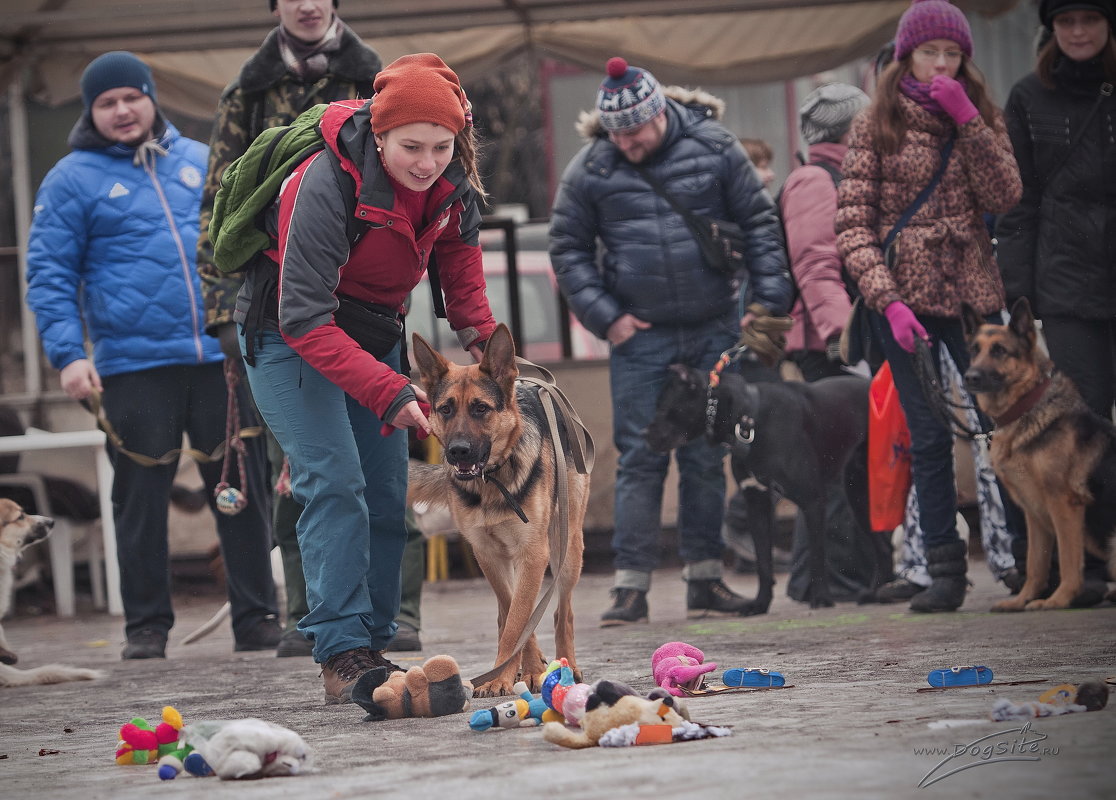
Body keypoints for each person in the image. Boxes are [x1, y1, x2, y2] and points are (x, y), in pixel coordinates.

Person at [236, 53, 498, 704]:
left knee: (387, 490)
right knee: (334, 480)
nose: (426, 161)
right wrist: (389, 389)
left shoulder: (454, 186)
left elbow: (465, 296)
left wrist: (500, 361)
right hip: (288, 335)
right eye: (411, 146)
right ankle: (342, 651)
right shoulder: (324, 183)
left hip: (373, 335)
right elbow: (304, 317)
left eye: (442, 147)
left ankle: (377, 646)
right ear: (378, 136)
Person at [26, 51, 280, 659]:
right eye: (106, 102)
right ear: (90, 111)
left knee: (242, 488)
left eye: (130, 97)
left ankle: (257, 617)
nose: (121, 110)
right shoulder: (70, 179)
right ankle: (146, 626)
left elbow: (248, 246)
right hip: (132, 364)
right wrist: (67, 354)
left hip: (220, 354)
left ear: (150, 98)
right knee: (139, 498)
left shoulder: (200, 162)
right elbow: (49, 274)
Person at [549, 57, 792, 626]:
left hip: (714, 327)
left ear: (659, 113)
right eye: (617, 133)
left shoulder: (715, 147)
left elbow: (760, 224)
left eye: (635, 130)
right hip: (640, 336)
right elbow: (568, 248)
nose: (626, 142)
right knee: (639, 454)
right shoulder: (591, 170)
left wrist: (768, 301)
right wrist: (607, 318)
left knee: (707, 452)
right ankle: (629, 589)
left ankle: (704, 581)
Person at [196, 0, 398, 657]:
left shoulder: (378, 80)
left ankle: (396, 617)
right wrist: (225, 310)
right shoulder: (247, 90)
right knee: (311, 477)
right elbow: (219, 203)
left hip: (367, 311)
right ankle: (311, 617)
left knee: (384, 477)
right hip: (278, 305)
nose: (308, 4)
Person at [835, 0, 1023, 612]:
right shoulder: (875, 123)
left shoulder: (977, 114)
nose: (941, 64)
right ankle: (945, 569)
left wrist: (969, 119)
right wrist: (886, 301)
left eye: (953, 54)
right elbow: (854, 225)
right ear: (906, 56)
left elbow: (1007, 193)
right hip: (905, 302)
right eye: (930, 52)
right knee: (929, 436)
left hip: (973, 298)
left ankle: (1026, 560)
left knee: (1004, 426)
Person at [994, 0, 1116, 605]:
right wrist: (1020, 295)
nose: (1077, 31)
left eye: (1089, 19)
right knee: (1080, 440)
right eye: (1066, 21)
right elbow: (1019, 202)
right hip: (1068, 287)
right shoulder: (1026, 96)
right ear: (1051, 29)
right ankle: (1087, 574)